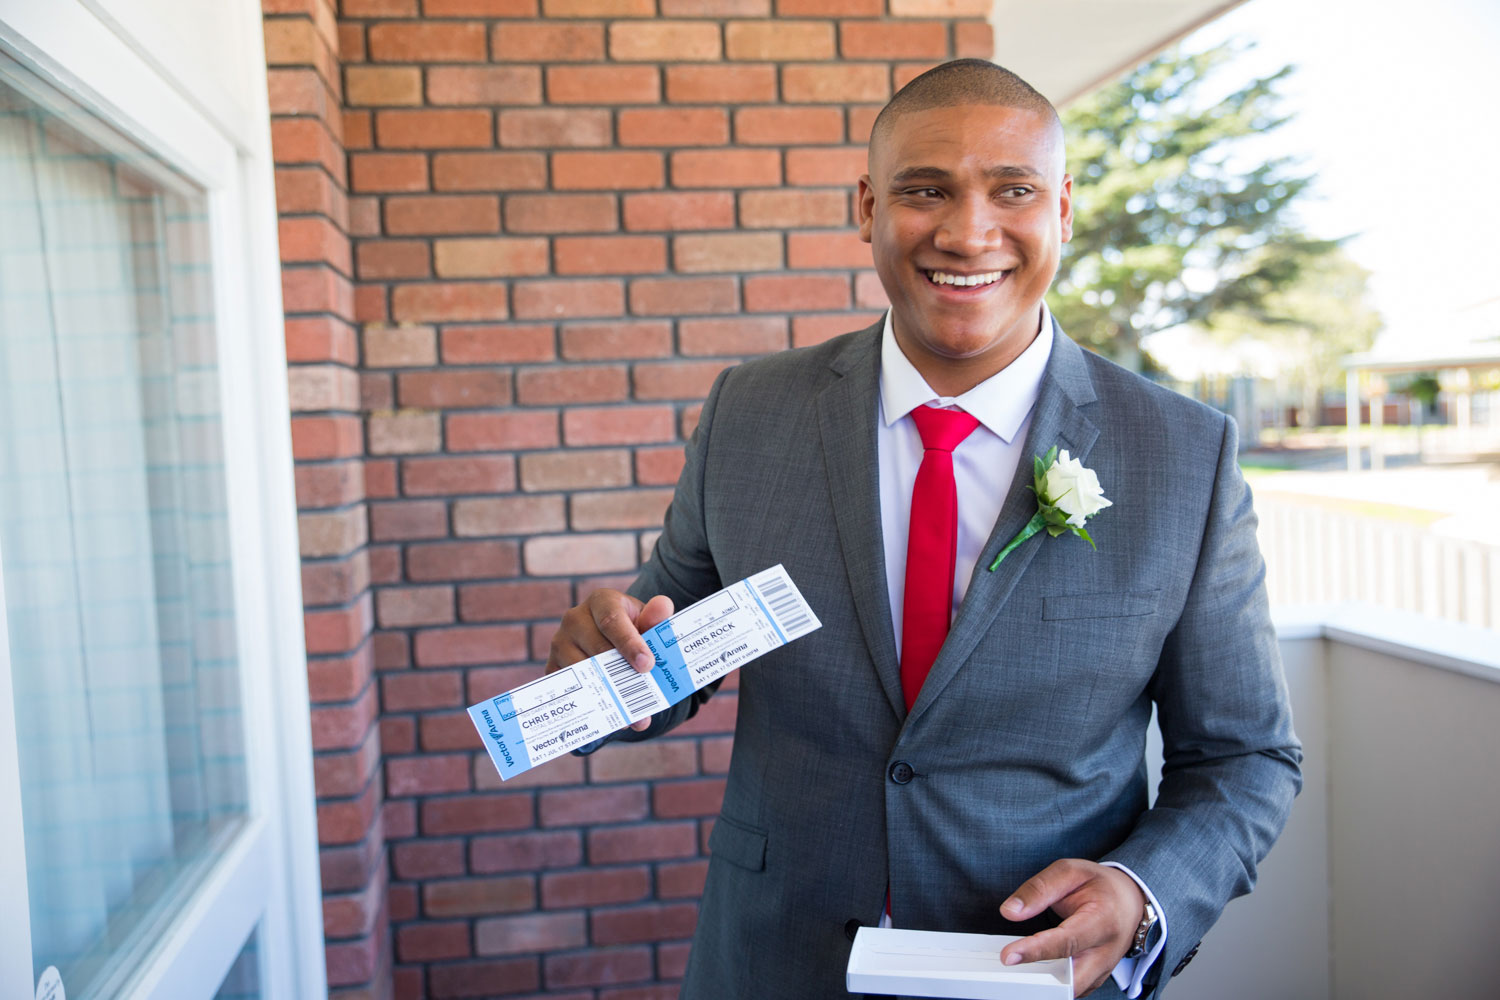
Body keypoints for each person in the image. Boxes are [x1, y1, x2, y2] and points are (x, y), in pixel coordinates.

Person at [545, 59, 1302, 1000]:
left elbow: (1242, 756)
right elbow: (671, 650)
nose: (967, 231)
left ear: (1061, 208)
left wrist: (1145, 894)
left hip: (1031, 973)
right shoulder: (750, 412)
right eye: (925, 190)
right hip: (774, 961)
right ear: (866, 204)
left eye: (1012, 191)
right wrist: (604, 663)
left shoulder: (1185, 454)